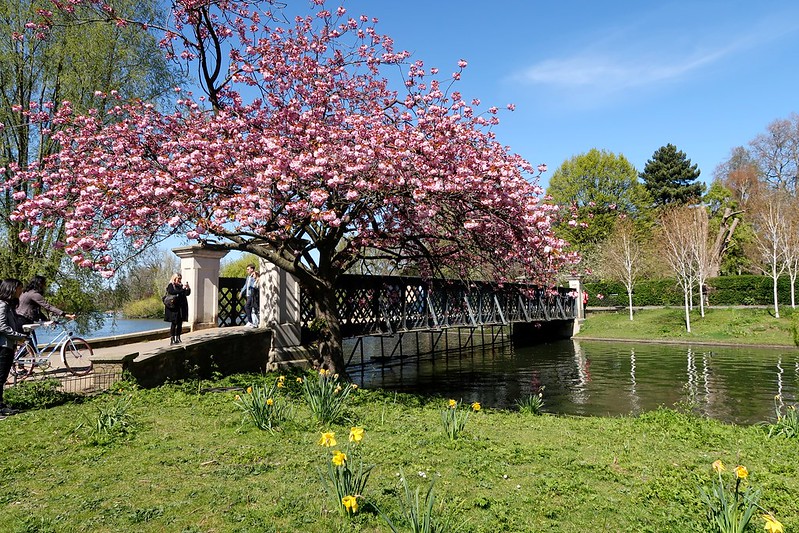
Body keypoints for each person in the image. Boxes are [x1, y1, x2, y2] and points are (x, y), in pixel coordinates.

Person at [0, 278, 28, 415]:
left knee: (3, 376)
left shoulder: (8, 305)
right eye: (19, 288)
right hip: (3, 346)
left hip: (8, 345)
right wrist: (19, 336)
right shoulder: (2, 305)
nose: (21, 291)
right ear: (11, 289)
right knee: (0, 376)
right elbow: (2, 327)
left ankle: (1, 404)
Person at [164, 273, 190, 345]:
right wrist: (182, 290)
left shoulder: (181, 286)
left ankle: (178, 337)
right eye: (178, 278)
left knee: (180, 323)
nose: (180, 280)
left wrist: (188, 288)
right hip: (174, 307)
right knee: (174, 323)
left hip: (181, 307)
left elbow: (187, 293)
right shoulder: (171, 285)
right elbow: (172, 292)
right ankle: (172, 338)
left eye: (180, 278)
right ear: (174, 278)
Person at [239, 263, 259, 327]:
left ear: (252, 269)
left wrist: (256, 274)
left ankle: (250, 321)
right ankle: (252, 322)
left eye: (248, 269)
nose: (247, 270)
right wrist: (241, 292)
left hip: (252, 294)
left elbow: (257, 280)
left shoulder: (254, 275)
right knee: (250, 307)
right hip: (248, 294)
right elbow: (246, 285)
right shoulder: (248, 277)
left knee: (247, 306)